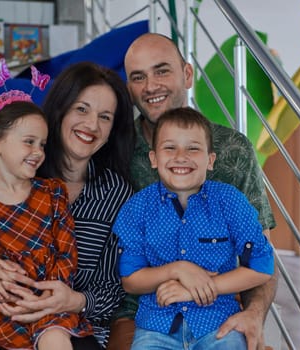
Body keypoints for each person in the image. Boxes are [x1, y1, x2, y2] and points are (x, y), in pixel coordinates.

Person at [0, 61, 136, 350]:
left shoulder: (115, 193)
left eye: (105, 117)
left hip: (69, 323)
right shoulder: (18, 168)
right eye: (81, 109)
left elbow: (112, 288)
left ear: (112, 129)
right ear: (60, 110)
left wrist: (74, 300)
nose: (92, 125)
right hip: (1, 317)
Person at [107, 33, 277, 350]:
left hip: (215, 305)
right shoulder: (114, 147)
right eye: (138, 77)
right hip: (140, 312)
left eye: (162, 71)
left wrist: (254, 313)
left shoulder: (232, 151)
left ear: (187, 74)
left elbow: (260, 254)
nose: (150, 86)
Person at [0, 87, 93, 349]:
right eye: (29, 141)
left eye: (42, 144)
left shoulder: (52, 193)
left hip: (48, 300)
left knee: (57, 338)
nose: (38, 151)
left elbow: (67, 253)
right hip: (0, 306)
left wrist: (43, 292)